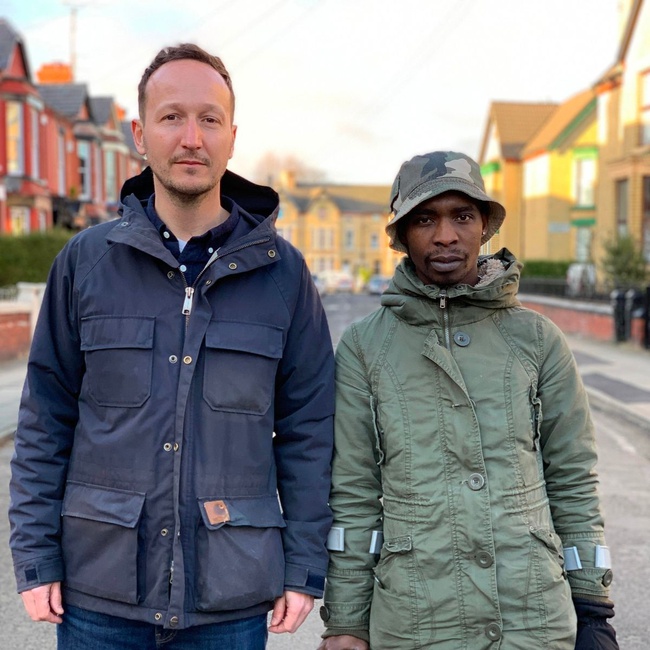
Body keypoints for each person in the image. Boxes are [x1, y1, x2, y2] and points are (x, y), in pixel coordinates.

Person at [9, 43, 335, 649]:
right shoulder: (85, 263)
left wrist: (303, 565)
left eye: (209, 119)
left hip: (230, 604)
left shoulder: (284, 275)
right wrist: (34, 556)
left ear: (232, 136)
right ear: (139, 133)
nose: (192, 137)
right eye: (171, 117)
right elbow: (45, 419)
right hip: (99, 598)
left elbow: (310, 430)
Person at [318, 152, 618, 649]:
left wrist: (593, 607)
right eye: (424, 218)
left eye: (462, 216)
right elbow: (353, 494)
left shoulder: (537, 339)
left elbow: (573, 479)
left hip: (532, 616)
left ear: (484, 226)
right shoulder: (365, 348)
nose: (444, 235)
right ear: (400, 235)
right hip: (416, 619)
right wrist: (347, 622)